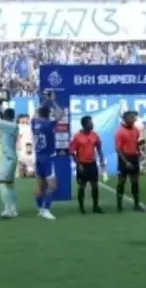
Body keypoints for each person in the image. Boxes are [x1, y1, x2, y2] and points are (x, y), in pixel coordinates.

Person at [30, 91, 64, 220]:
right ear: (49, 114)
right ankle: (45, 209)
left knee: (40, 186)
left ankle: (40, 208)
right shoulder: (49, 124)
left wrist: (45, 101)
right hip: (48, 157)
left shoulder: (34, 123)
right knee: (53, 186)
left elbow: (36, 112)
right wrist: (53, 100)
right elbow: (61, 113)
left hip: (38, 156)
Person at [0, 98, 21, 219]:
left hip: (7, 157)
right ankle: (13, 209)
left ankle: (8, 209)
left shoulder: (6, 125)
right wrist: (0, 106)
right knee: (10, 184)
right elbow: (1, 115)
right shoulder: (12, 125)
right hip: (11, 156)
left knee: (1, 183)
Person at [69, 115, 104, 214]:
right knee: (82, 186)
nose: (92, 124)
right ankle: (81, 207)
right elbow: (72, 151)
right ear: (84, 125)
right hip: (82, 164)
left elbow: (99, 147)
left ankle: (96, 206)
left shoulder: (95, 135)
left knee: (95, 186)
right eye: (90, 123)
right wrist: (78, 164)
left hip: (92, 164)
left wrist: (101, 159)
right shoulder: (77, 137)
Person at [114, 111, 144, 211]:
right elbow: (118, 149)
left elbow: (135, 143)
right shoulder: (120, 132)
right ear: (126, 118)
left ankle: (136, 204)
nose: (134, 120)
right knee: (121, 181)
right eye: (132, 118)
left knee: (135, 182)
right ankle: (119, 205)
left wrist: (139, 151)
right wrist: (126, 162)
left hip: (134, 157)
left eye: (135, 118)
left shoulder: (136, 130)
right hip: (124, 158)